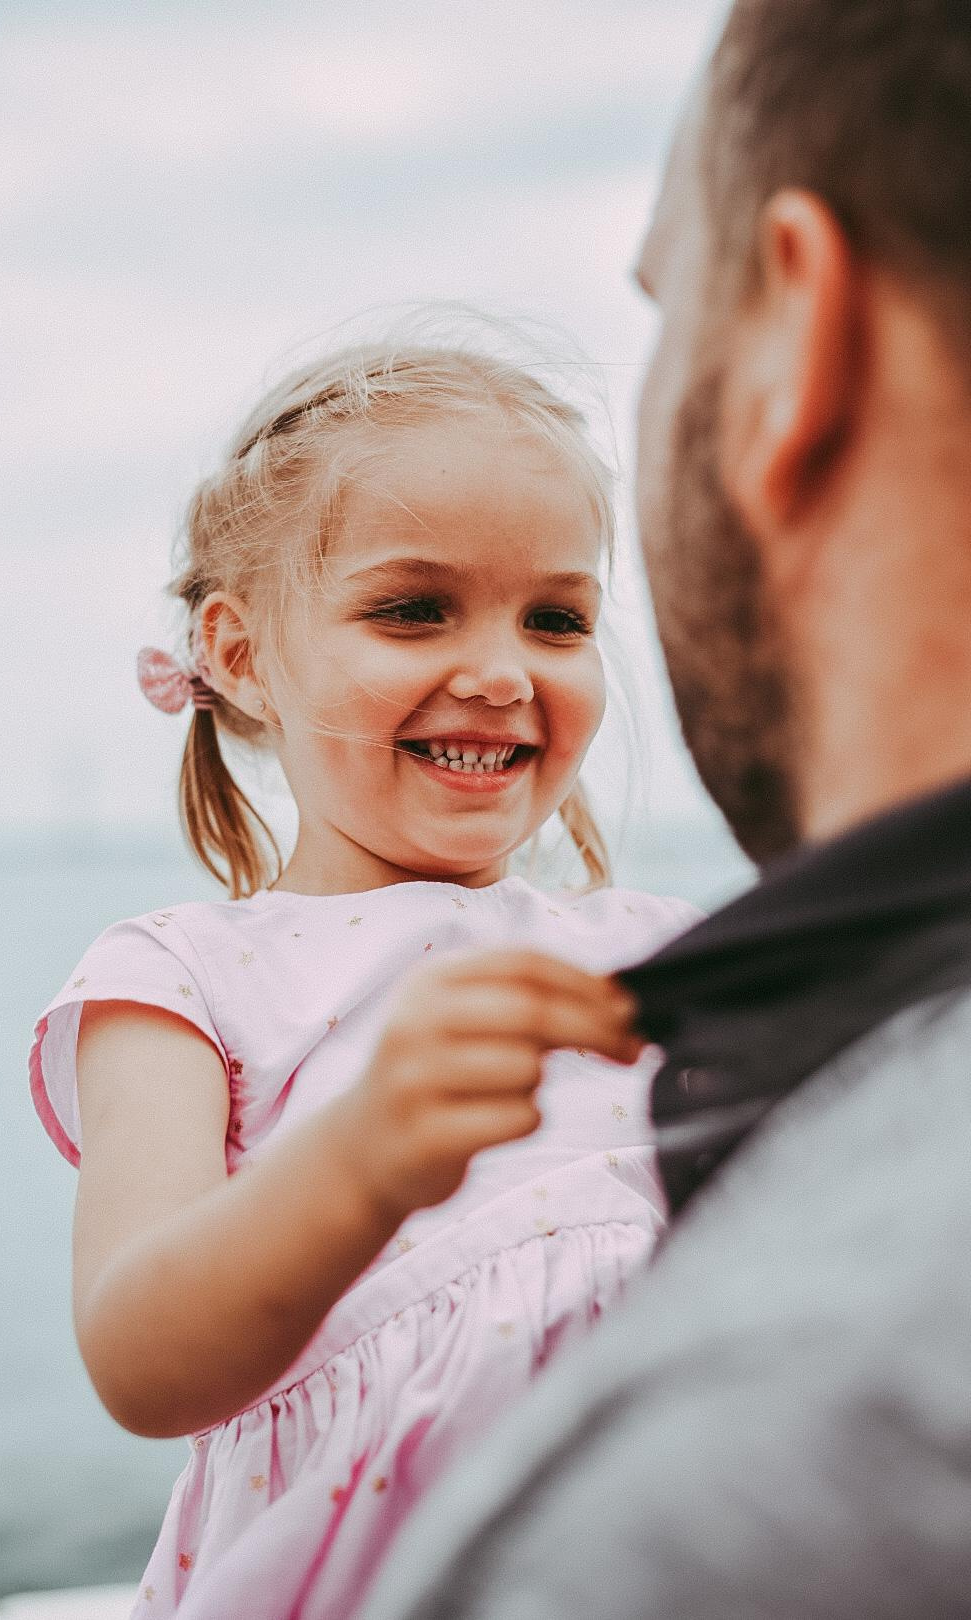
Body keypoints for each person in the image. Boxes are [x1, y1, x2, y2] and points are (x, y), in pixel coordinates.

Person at [362, 2, 971, 1616]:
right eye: (416, 611)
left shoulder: (719, 1493)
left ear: (793, 343)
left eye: (665, 308)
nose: (501, 671)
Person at [29, 342, 698, 1619]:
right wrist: (367, 1157)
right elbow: (140, 1362)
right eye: (413, 609)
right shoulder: (180, 981)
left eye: (556, 618)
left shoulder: (660, 952)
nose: (504, 672)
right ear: (242, 653)